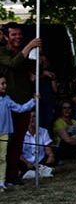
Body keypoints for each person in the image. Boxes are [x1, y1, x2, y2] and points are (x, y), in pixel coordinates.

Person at [0, 22, 41, 185]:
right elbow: (13, 63)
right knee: (6, 141)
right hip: (8, 103)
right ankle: (4, 175)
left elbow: (30, 67)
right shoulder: (2, 51)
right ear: (5, 36)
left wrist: (36, 55)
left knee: (18, 141)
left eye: (19, 34)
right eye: (13, 35)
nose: (18, 37)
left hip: (24, 101)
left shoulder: (25, 52)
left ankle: (12, 175)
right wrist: (29, 46)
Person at [0, 74, 36, 190]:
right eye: (2, 83)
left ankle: (1, 181)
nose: (4, 86)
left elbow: (20, 109)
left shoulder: (7, 99)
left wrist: (33, 101)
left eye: (5, 83)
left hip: (4, 133)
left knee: (2, 158)